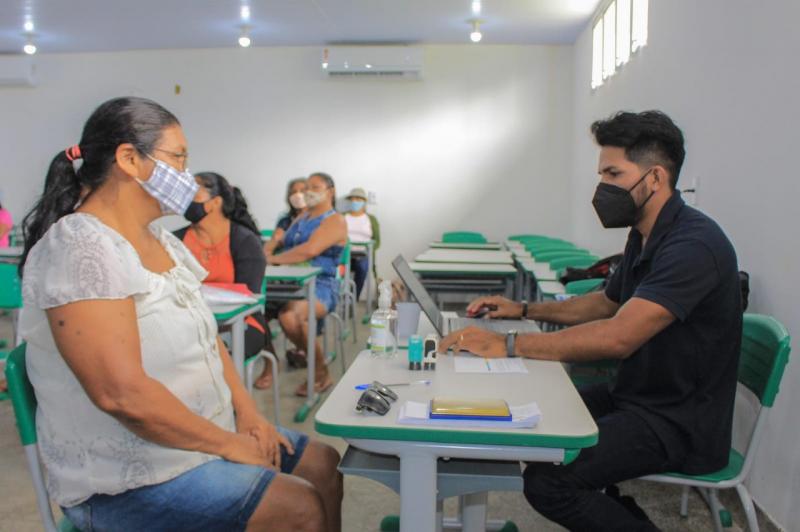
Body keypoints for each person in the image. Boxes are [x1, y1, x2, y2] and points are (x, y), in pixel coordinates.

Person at [18, 97, 342, 532]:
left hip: (198, 440)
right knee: (297, 506)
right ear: (129, 159)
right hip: (126, 478)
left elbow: (208, 339)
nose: (186, 176)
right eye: (178, 158)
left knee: (323, 465)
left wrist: (249, 415)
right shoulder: (80, 249)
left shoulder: (162, 242)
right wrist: (229, 445)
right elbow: (121, 394)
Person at [440, 110, 742, 531]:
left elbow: (618, 337)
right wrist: (523, 311)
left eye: (614, 173)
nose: (603, 187)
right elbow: (603, 304)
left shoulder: (694, 245)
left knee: (548, 483)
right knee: (531, 411)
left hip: (677, 420)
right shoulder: (644, 235)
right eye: (602, 174)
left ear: (654, 178)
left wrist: (508, 344)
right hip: (637, 394)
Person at [265, 172, 347, 397]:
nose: (308, 192)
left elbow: (310, 250)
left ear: (329, 191)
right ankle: (269, 366)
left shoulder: (335, 220)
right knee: (256, 310)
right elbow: (279, 240)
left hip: (322, 284)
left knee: (290, 316)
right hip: (290, 282)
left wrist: (273, 259)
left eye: (315, 187)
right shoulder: (301, 218)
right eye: (306, 187)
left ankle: (320, 370)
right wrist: (267, 250)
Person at [175, 171, 271, 361]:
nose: (184, 198)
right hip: (190, 321)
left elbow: (247, 296)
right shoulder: (175, 240)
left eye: (192, 191)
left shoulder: (244, 241)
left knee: (211, 355)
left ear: (215, 202)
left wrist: (199, 292)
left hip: (240, 321)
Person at [343, 187, 380, 300]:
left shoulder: (370, 219)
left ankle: (353, 300)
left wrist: (367, 248)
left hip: (363, 255)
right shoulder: (342, 217)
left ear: (364, 202)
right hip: (345, 254)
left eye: (358, 199)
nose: (355, 202)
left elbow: (377, 242)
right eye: (353, 199)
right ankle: (339, 298)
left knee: (363, 267)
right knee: (336, 269)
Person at [265, 177, 308, 257]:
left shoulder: (321, 219)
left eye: (302, 191)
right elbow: (271, 245)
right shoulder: (285, 221)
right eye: (293, 192)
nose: (298, 195)